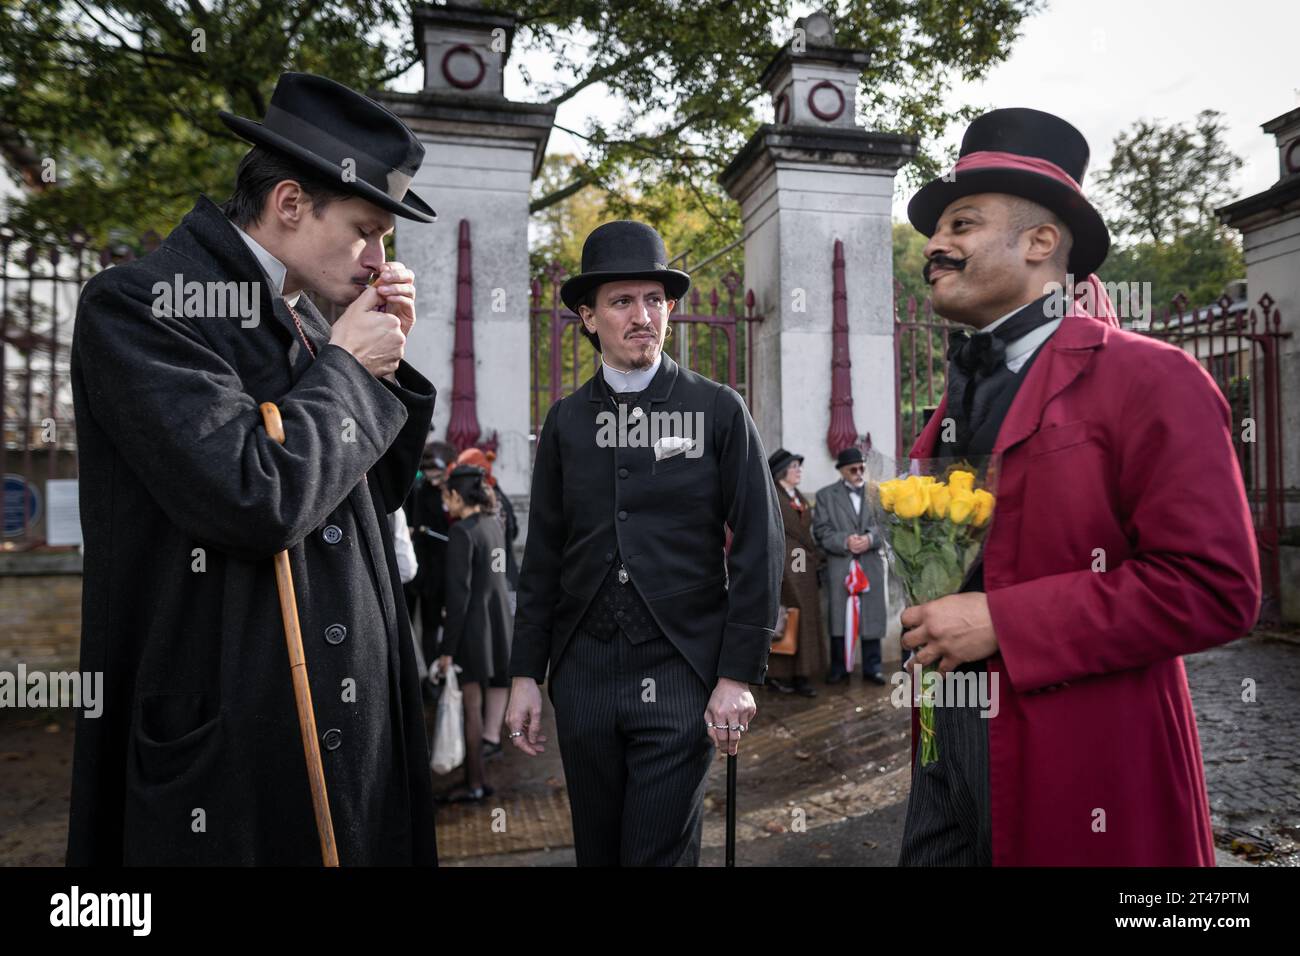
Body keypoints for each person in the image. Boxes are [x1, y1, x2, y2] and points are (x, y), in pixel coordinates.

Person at [67, 72, 440, 865]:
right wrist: (346, 367)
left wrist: (379, 366)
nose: (379, 261)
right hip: (238, 759)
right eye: (367, 231)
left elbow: (373, 495)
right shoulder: (141, 303)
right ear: (291, 203)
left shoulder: (308, 318)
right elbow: (251, 495)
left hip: (356, 745)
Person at [896, 107, 1260, 866]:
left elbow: (1217, 587)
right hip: (945, 744)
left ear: (1039, 242)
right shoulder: (950, 399)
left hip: (1082, 762)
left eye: (961, 225)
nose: (935, 246)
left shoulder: (1153, 378)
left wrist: (1004, 620)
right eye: (937, 232)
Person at [505, 220, 784, 866]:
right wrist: (525, 673)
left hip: (682, 671)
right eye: (622, 301)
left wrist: (738, 673)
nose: (643, 316)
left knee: (657, 853)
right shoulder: (567, 422)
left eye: (655, 299)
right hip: (584, 676)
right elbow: (542, 556)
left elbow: (760, 546)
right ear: (588, 316)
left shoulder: (717, 410)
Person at [434, 465, 513, 803]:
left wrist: (446, 650)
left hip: (471, 631)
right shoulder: (493, 525)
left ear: (456, 495)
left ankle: (475, 782)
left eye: (446, 497)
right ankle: (477, 779)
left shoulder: (461, 532)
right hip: (497, 626)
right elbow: (496, 578)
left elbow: (458, 596)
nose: (444, 505)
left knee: (471, 707)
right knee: (476, 704)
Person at [453, 446, 519, 758]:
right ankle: (491, 735)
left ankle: (479, 749)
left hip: (484, 604)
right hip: (498, 598)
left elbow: (461, 588)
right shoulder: (494, 516)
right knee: (498, 671)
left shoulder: (468, 527)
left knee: (478, 681)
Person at [813, 447, 888, 685]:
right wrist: (845, 541)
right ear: (842, 471)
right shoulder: (825, 495)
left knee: (872, 617)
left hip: (870, 564)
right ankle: (838, 668)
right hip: (840, 565)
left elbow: (888, 525)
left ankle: (873, 667)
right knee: (839, 618)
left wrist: (870, 538)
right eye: (853, 469)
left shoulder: (878, 494)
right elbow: (821, 531)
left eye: (861, 468)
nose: (858, 473)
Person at [765, 448, 825, 697]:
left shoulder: (796, 495)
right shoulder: (773, 495)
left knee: (804, 617)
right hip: (786, 566)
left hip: (804, 567)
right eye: (794, 467)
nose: (799, 470)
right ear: (782, 472)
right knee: (788, 617)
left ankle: (802, 672)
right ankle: (779, 674)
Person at [405, 439, 455, 677]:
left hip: (442, 568)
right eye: (428, 471)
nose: (431, 475)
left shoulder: (452, 490)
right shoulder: (418, 488)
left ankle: (435, 673)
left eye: (436, 470)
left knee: (433, 624)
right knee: (414, 625)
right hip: (419, 567)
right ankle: (420, 676)